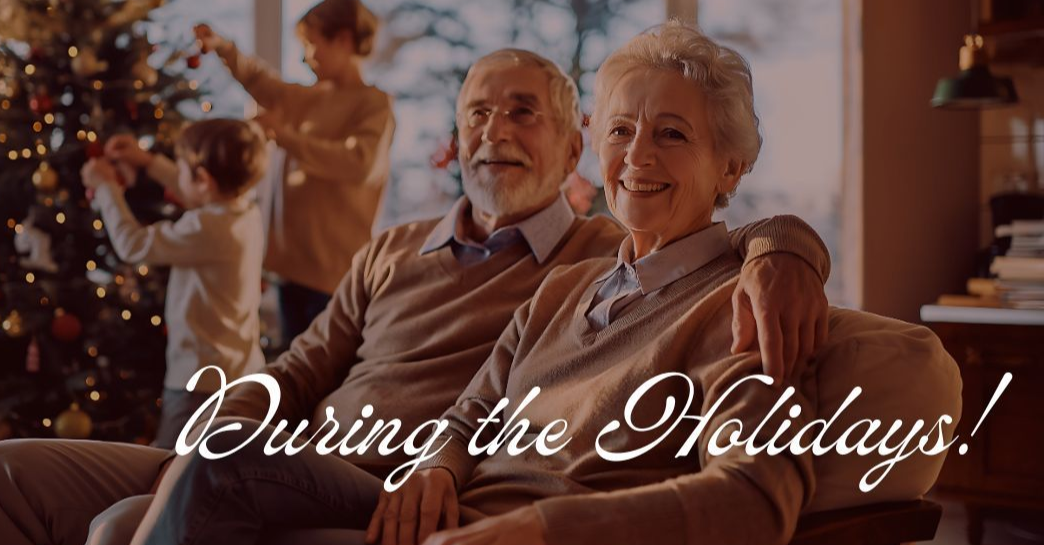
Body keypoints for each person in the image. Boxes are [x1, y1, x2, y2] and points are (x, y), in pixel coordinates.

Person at [120, 46, 832, 545]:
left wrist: (781, 241)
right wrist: (437, 461)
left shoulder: (744, 303)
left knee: (202, 476)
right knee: (43, 485)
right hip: (403, 496)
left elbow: (756, 494)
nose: (638, 155)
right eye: (623, 129)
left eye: (671, 133)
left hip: (457, 518)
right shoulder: (567, 287)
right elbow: (465, 415)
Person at [194, 0, 395, 348]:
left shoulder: (372, 104)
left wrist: (283, 136)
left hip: (332, 277)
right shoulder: (308, 98)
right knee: (293, 375)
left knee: (323, 380)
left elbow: (358, 163)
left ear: (344, 41)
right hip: (289, 269)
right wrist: (223, 47)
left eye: (312, 46)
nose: (305, 57)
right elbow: (261, 82)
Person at [80, 118, 268, 449]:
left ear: (203, 179)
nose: (178, 178)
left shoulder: (207, 226)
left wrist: (107, 187)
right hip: (241, 371)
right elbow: (197, 190)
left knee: (171, 465)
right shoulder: (244, 212)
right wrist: (149, 162)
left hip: (199, 383)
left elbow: (132, 244)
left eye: (181, 169)